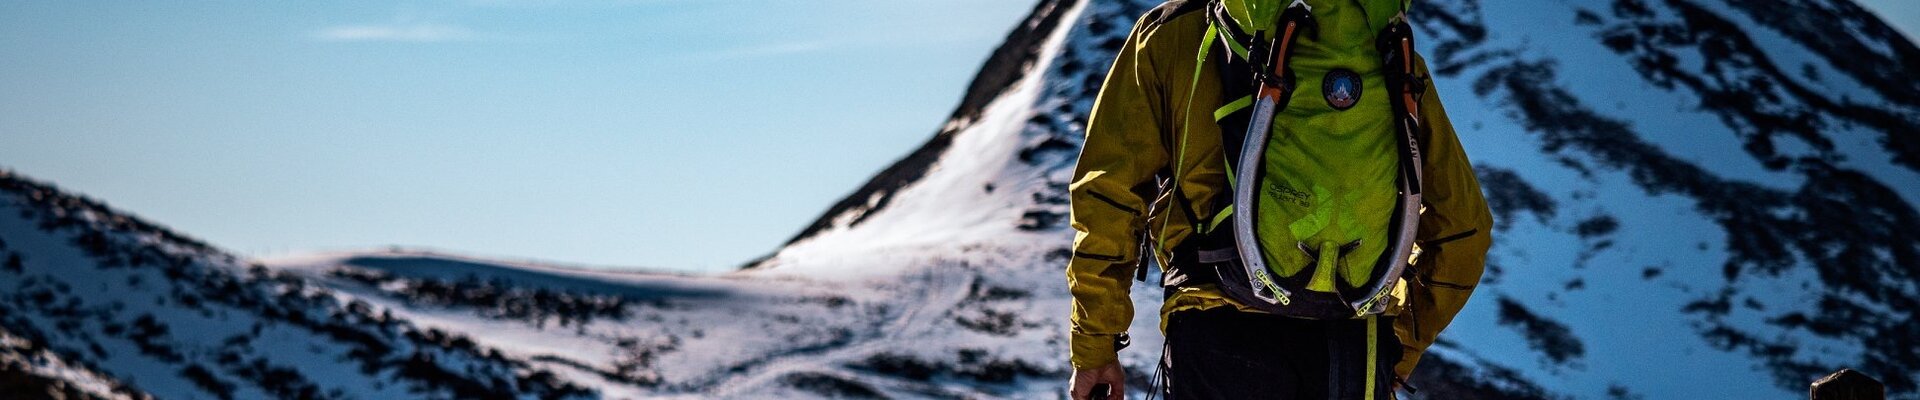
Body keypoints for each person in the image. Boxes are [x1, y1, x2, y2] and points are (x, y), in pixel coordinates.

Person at [1064, 0, 1493, 399]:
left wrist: (1095, 344)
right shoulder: (1387, 51)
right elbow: (1464, 227)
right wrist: (1399, 348)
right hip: (1352, 347)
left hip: (1215, 330)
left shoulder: (1174, 34)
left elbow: (1107, 194)